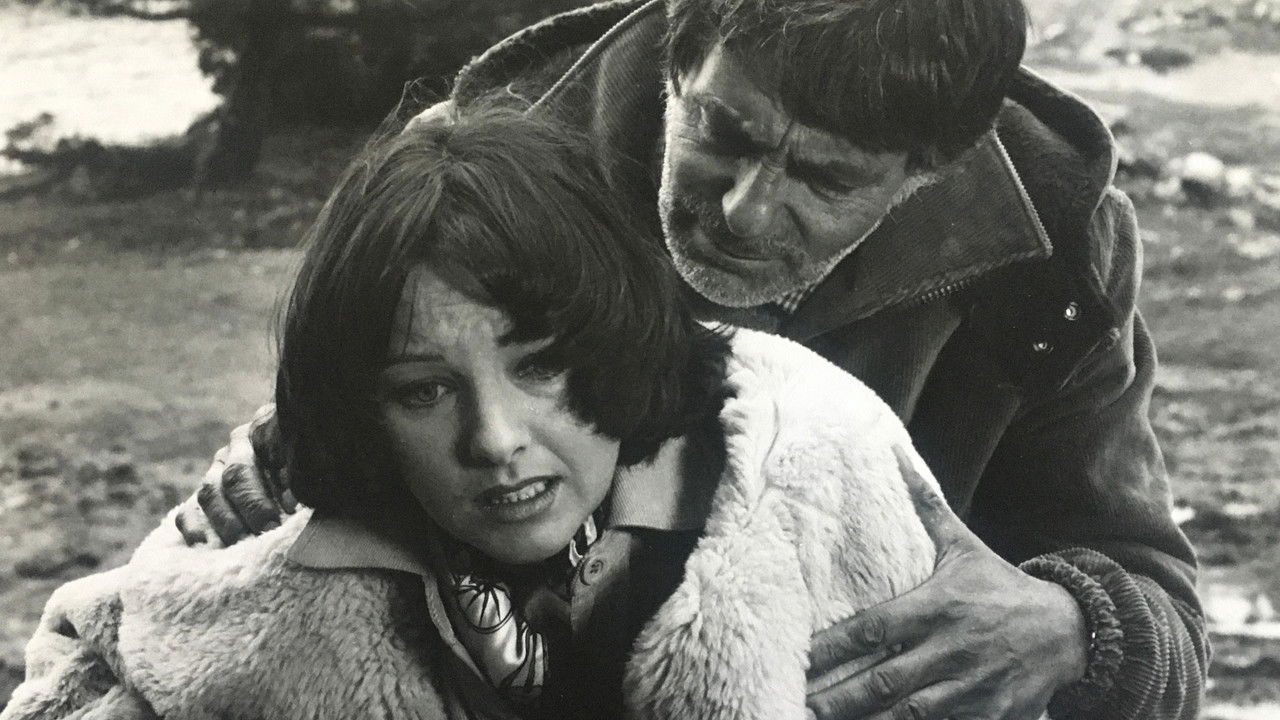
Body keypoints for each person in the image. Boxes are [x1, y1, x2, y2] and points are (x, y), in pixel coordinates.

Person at [183, 1, 1209, 719]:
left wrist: (1076, 627)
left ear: (930, 169)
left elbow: (1164, 618)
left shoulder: (1055, 258)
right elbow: (309, 466)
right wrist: (284, 476)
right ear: (681, 48)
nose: (744, 212)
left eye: (825, 179)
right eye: (723, 131)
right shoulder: (471, 177)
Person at [4, 106, 952, 720]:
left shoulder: (808, 470)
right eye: (422, 390)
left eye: (540, 366)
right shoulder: (272, 551)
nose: (494, 441)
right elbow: (86, 662)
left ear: (616, 336)